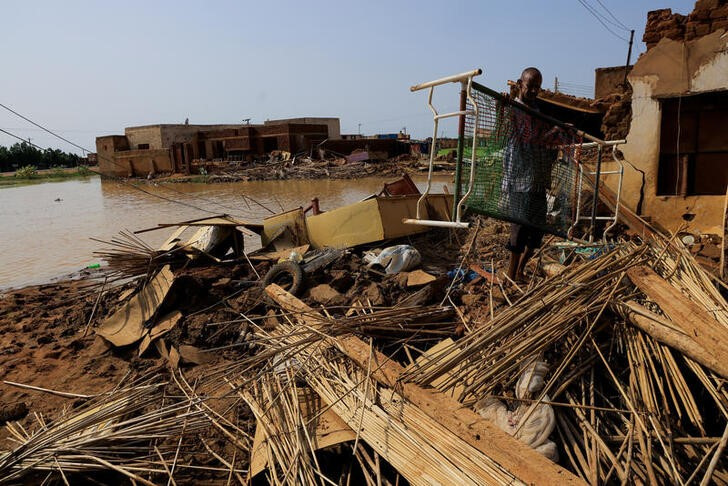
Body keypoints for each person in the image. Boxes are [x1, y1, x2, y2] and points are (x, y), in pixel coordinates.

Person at [502, 67, 559, 282]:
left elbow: (541, 138)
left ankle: (520, 271)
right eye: (530, 86)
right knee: (519, 230)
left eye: (537, 87)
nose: (534, 91)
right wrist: (503, 105)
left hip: (537, 181)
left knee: (536, 231)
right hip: (519, 181)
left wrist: (555, 134)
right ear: (520, 84)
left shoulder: (537, 110)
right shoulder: (513, 108)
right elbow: (521, 134)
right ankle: (511, 274)